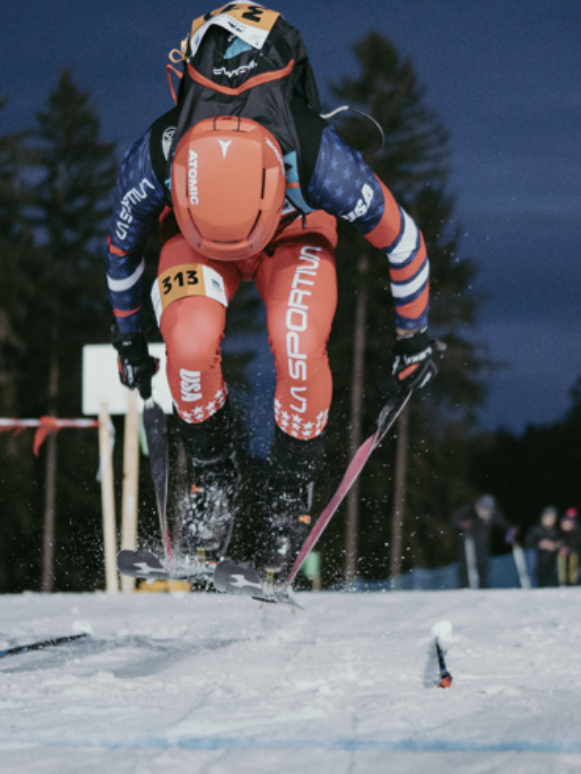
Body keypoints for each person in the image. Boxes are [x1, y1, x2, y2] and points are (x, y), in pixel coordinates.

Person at [107, 5, 440, 580]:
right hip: (194, 236)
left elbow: (403, 241)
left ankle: (289, 493)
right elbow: (121, 245)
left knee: (298, 340)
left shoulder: (318, 155)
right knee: (187, 342)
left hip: (294, 232)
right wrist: (130, 339)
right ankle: (213, 476)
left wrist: (414, 338)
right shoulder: (161, 150)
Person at [448, 495, 512, 589]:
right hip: (467, 545)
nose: (485, 515)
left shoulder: (492, 513)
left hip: (483, 547)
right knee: (465, 571)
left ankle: (484, 594)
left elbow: (502, 522)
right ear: (478, 506)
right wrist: (461, 524)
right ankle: (464, 592)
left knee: (484, 571)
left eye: (488, 513)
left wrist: (510, 530)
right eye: (484, 511)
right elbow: (451, 523)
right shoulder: (467, 510)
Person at [524, 506, 560, 588]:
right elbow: (528, 543)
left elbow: (561, 543)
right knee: (539, 586)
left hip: (552, 566)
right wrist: (540, 544)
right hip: (538, 565)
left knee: (554, 586)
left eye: (552, 518)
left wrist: (555, 545)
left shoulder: (555, 532)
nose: (550, 520)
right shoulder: (535, 530)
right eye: (548, 517)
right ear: (543, 517)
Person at [558, 508, 581, 586]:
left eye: (567, 522)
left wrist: (567, 549)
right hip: (564, 573)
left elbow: (579, 551)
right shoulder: (560, 534)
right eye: (563, 522)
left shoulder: (577, 534)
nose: (564, 524)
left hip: (576, 568)